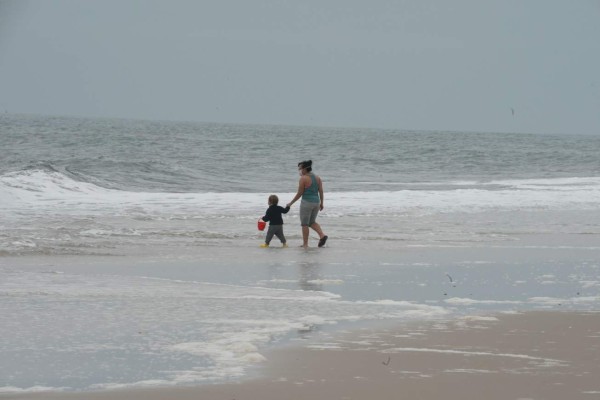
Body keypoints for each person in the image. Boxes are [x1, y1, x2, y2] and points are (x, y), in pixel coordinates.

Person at [286, 160, 328, 248]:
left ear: (305, 169)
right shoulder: (317, 178)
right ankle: (322, 235)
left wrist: (290, 203)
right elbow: (321, 191)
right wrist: (322, 203)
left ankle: (305, 244)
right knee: (312, 222)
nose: (299, 170)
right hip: (316, 202)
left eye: (300, 168)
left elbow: (300, 193)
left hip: (307, 203)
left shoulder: (303, 179)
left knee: (304, 224)